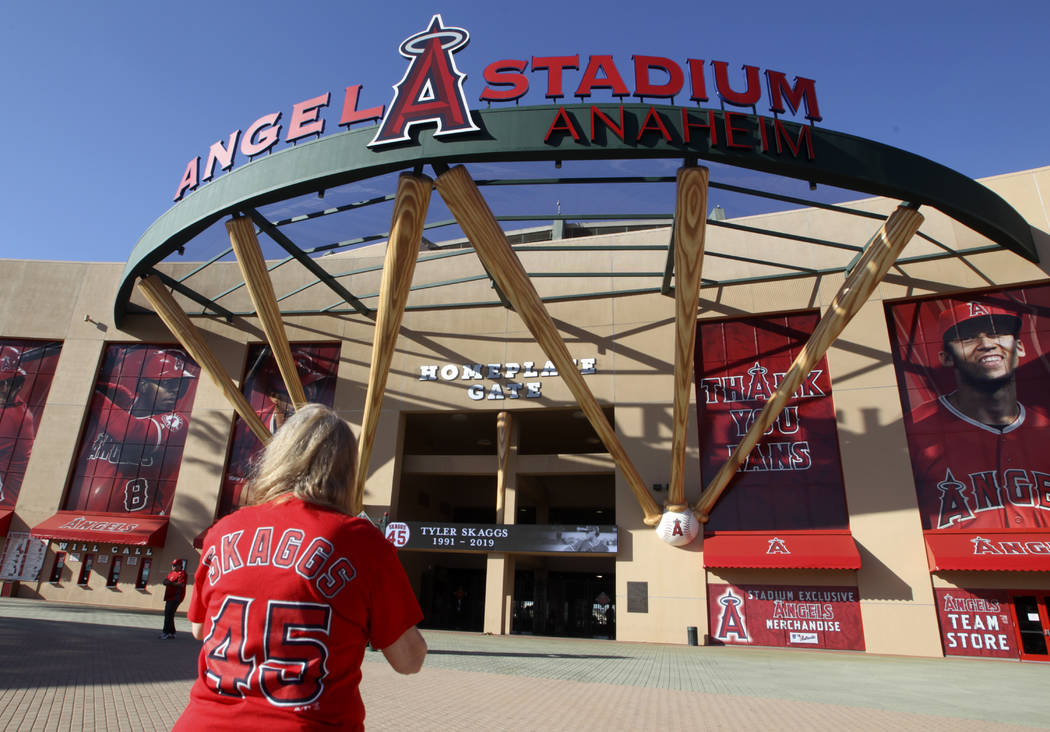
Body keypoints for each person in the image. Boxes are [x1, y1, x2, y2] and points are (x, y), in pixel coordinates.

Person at [174, 404, 426, 731]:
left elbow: (199, 628)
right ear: (348, 470)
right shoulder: (361, 542)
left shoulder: (224, 530)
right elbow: (409, 660)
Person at [907, 301, 1050, 530]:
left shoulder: (1045, 428)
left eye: (998, 333)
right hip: (956, 565)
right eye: (969, 337)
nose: (987, 344)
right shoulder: (913, 430)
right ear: (946, 357)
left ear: (1020, 347)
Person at [66, 346, 196, 515]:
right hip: (83, 519)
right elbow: (96, 384)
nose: (175, 391)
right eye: (167, 384)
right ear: (143, 386)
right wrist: (105, 367)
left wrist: (91, 394)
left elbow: (133, 433)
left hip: (139, 519)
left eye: (180, 386)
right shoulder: (122, 402)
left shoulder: (176, 422)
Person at [0, 345, 32, 507]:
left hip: (7, 504)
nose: (5, 390)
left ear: (20, 385)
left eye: (12, 383)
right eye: (0, 384)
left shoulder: (13, 416)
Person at [161, 558, 188, 639]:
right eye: (173, 565)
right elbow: (166, 580)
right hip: (168, 596)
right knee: (170, 614)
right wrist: (166, 582)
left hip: (176, 597)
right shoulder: (171, 573)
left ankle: (165, 632)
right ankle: (172, 632)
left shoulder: (182, 573)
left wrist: (170, 583)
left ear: (180, 566)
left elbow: (181, 585)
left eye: (175, 565)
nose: (173, 567)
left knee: (168, 614)